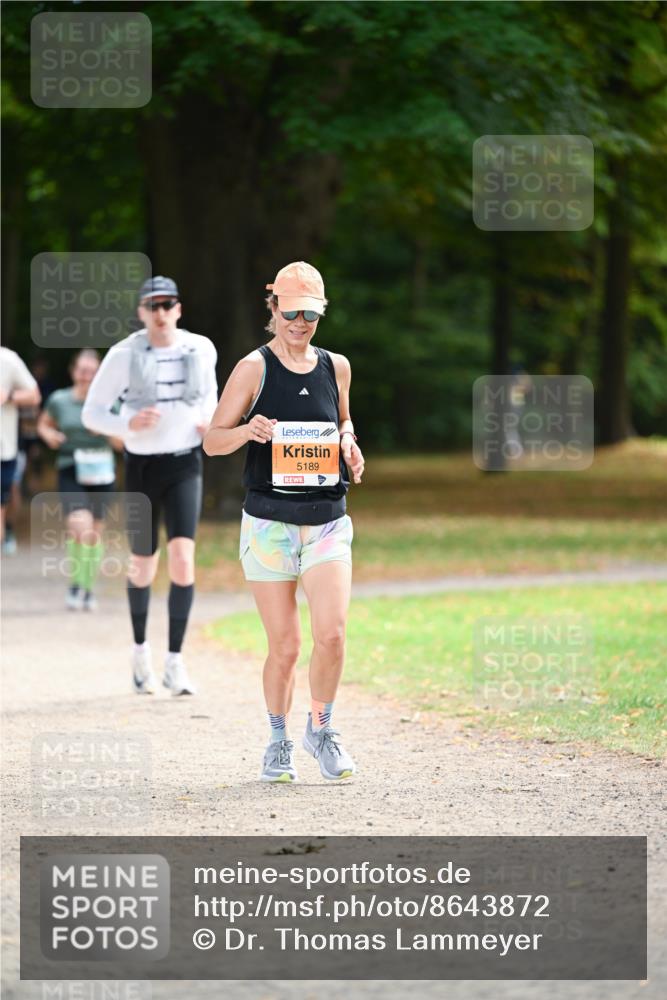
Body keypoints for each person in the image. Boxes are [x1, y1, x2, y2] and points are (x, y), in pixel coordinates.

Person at [204, 261, 364, 782]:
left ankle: (321, 729)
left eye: (310, 314)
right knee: (286, 646)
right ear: (272, 308)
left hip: (326, 521)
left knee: (333, 635)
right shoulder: (254, 368)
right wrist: (249, 431)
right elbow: (212, 440)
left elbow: (342, 419)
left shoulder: (335, 365)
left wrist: (349, 443)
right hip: (269, 523)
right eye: (290, 311)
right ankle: (278, 739)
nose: (299, 322)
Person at [82, 276, 218, 696]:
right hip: (141, 468)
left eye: (168, 304)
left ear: (179, 308)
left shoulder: (202, 348)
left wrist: (210, 423)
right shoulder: (123, 354)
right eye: (152, 305)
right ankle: (140, 651)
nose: (161, 313)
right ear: (141, 311)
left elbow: (210, 398)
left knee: (182, 561)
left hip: (185, 463)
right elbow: (92, 413)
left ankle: (175, 661)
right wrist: (127, 424)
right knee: (143, 565)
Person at [38, 349, 118, 611]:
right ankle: (75, 583)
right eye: (82, 371)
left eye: (92, 372)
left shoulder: (109, 403)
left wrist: (106, 430)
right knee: (79, 527)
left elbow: (124, 443)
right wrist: (49, 435)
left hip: (102, 470)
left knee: (94, 533)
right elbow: (44, 423)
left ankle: (87, 588)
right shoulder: (60, 400)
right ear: (73, 372)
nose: (86, 376)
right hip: (71, 467)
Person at [0, 346, 41, 550]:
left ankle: (7, 530)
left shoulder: (8, 359)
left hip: (4, 450)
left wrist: (8, 397)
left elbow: (34, 396)